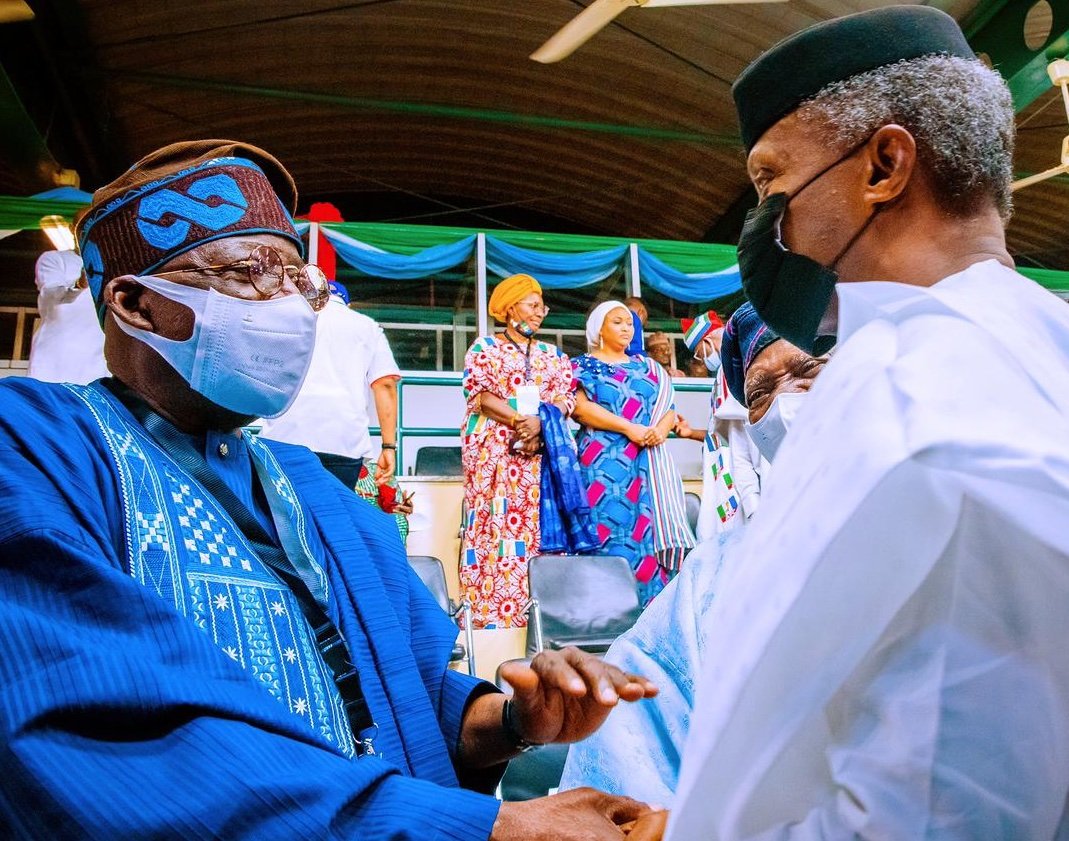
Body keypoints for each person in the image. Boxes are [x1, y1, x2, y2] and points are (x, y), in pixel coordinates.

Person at [0, 139, 660, 840]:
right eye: (251, 274)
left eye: (297, 279)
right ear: (135, 304)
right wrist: (484, 828)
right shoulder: (35, 448)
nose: (288, 305)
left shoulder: (311, 486)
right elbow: (84, 731)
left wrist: (512, 719)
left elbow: (404, 703)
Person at [666, 8, 1069, 839]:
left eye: (770, 180)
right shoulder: (1033, 339)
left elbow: (936, 809)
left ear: (884, 165)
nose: (767, 218)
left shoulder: (927, 404)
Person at [560, 303, 823, 805]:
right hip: (612, 469)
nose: (790, 403)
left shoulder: (974, 525)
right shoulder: (715, 579)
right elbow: (632, 749)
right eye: (764, 392)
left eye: (809, 370)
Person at [460, 273, 575, 629]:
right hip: (497, 457)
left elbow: (565, 397)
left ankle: (544, 619)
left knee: (538, 532)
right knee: (498, 531)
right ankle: (493, 617)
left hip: (540, 457)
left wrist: (540, 424)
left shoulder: (553, 355)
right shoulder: (485, 348)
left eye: (543, 306)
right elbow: (479, 396)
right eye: (533, 304)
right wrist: (519, 421)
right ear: (510, 308)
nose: (541, 312)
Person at [570, 301, 695, 606]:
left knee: (650, 533)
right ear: (599, 328)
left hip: (648, 462)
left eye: (629, 323)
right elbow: (581, 410)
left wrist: (660, 430)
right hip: (603, 462)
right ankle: (607, 613)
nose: (626, 328)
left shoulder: (649, 367)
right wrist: (629, 429)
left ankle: (651, 615)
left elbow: (668, 409)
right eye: (617, 322)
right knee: (607, 530)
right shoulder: (581, 366)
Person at [258, 279, 400, 490]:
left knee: (286, 515)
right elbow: (385, 384)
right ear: (347, 304)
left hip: (284, 437)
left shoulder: (289, 322)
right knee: (335, 514)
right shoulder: (367, 327)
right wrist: (388, 446)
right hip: (343, 440)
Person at [673, 310, 757, 537]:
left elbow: (738, 435)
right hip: (726, 469)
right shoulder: (723, 372)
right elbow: (722, 434)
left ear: (707, 342)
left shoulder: (736, 366)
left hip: (740, 470)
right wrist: (690, 433)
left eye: (698, 353)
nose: (700, 359)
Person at [27, 249, 108, 384]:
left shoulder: (113, 265)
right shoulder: (54, 258)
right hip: (56, 358)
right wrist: (79, 284)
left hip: (97, 358)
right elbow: (50, 295)